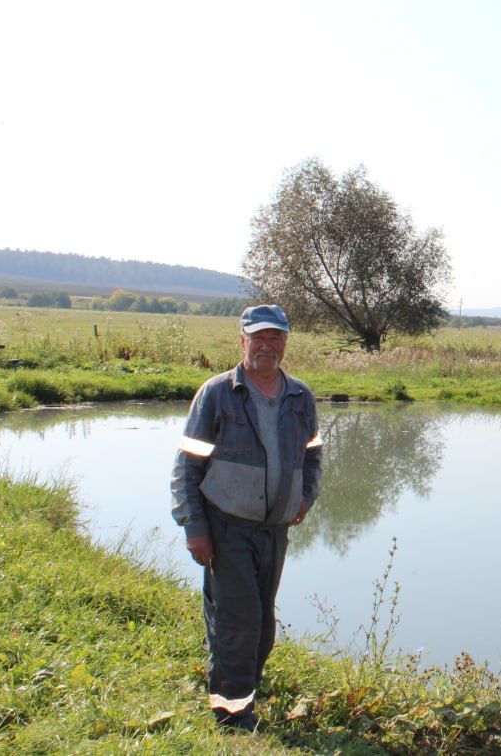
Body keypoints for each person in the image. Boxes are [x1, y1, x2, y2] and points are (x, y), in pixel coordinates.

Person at [169, 304, 322, 731]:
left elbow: (313, 452)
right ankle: (231, 716)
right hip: (226, 527)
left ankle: (244, 690)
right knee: (238, 620)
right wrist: (195, 528)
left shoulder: (300, 397)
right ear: (242, 342)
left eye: (276, 338)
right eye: (259, 338)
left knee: (262, 622)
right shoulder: (217, 393)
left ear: (286, 343)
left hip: (274, 531)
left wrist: (306, 497)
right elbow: (186, 468)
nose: (267, 347)